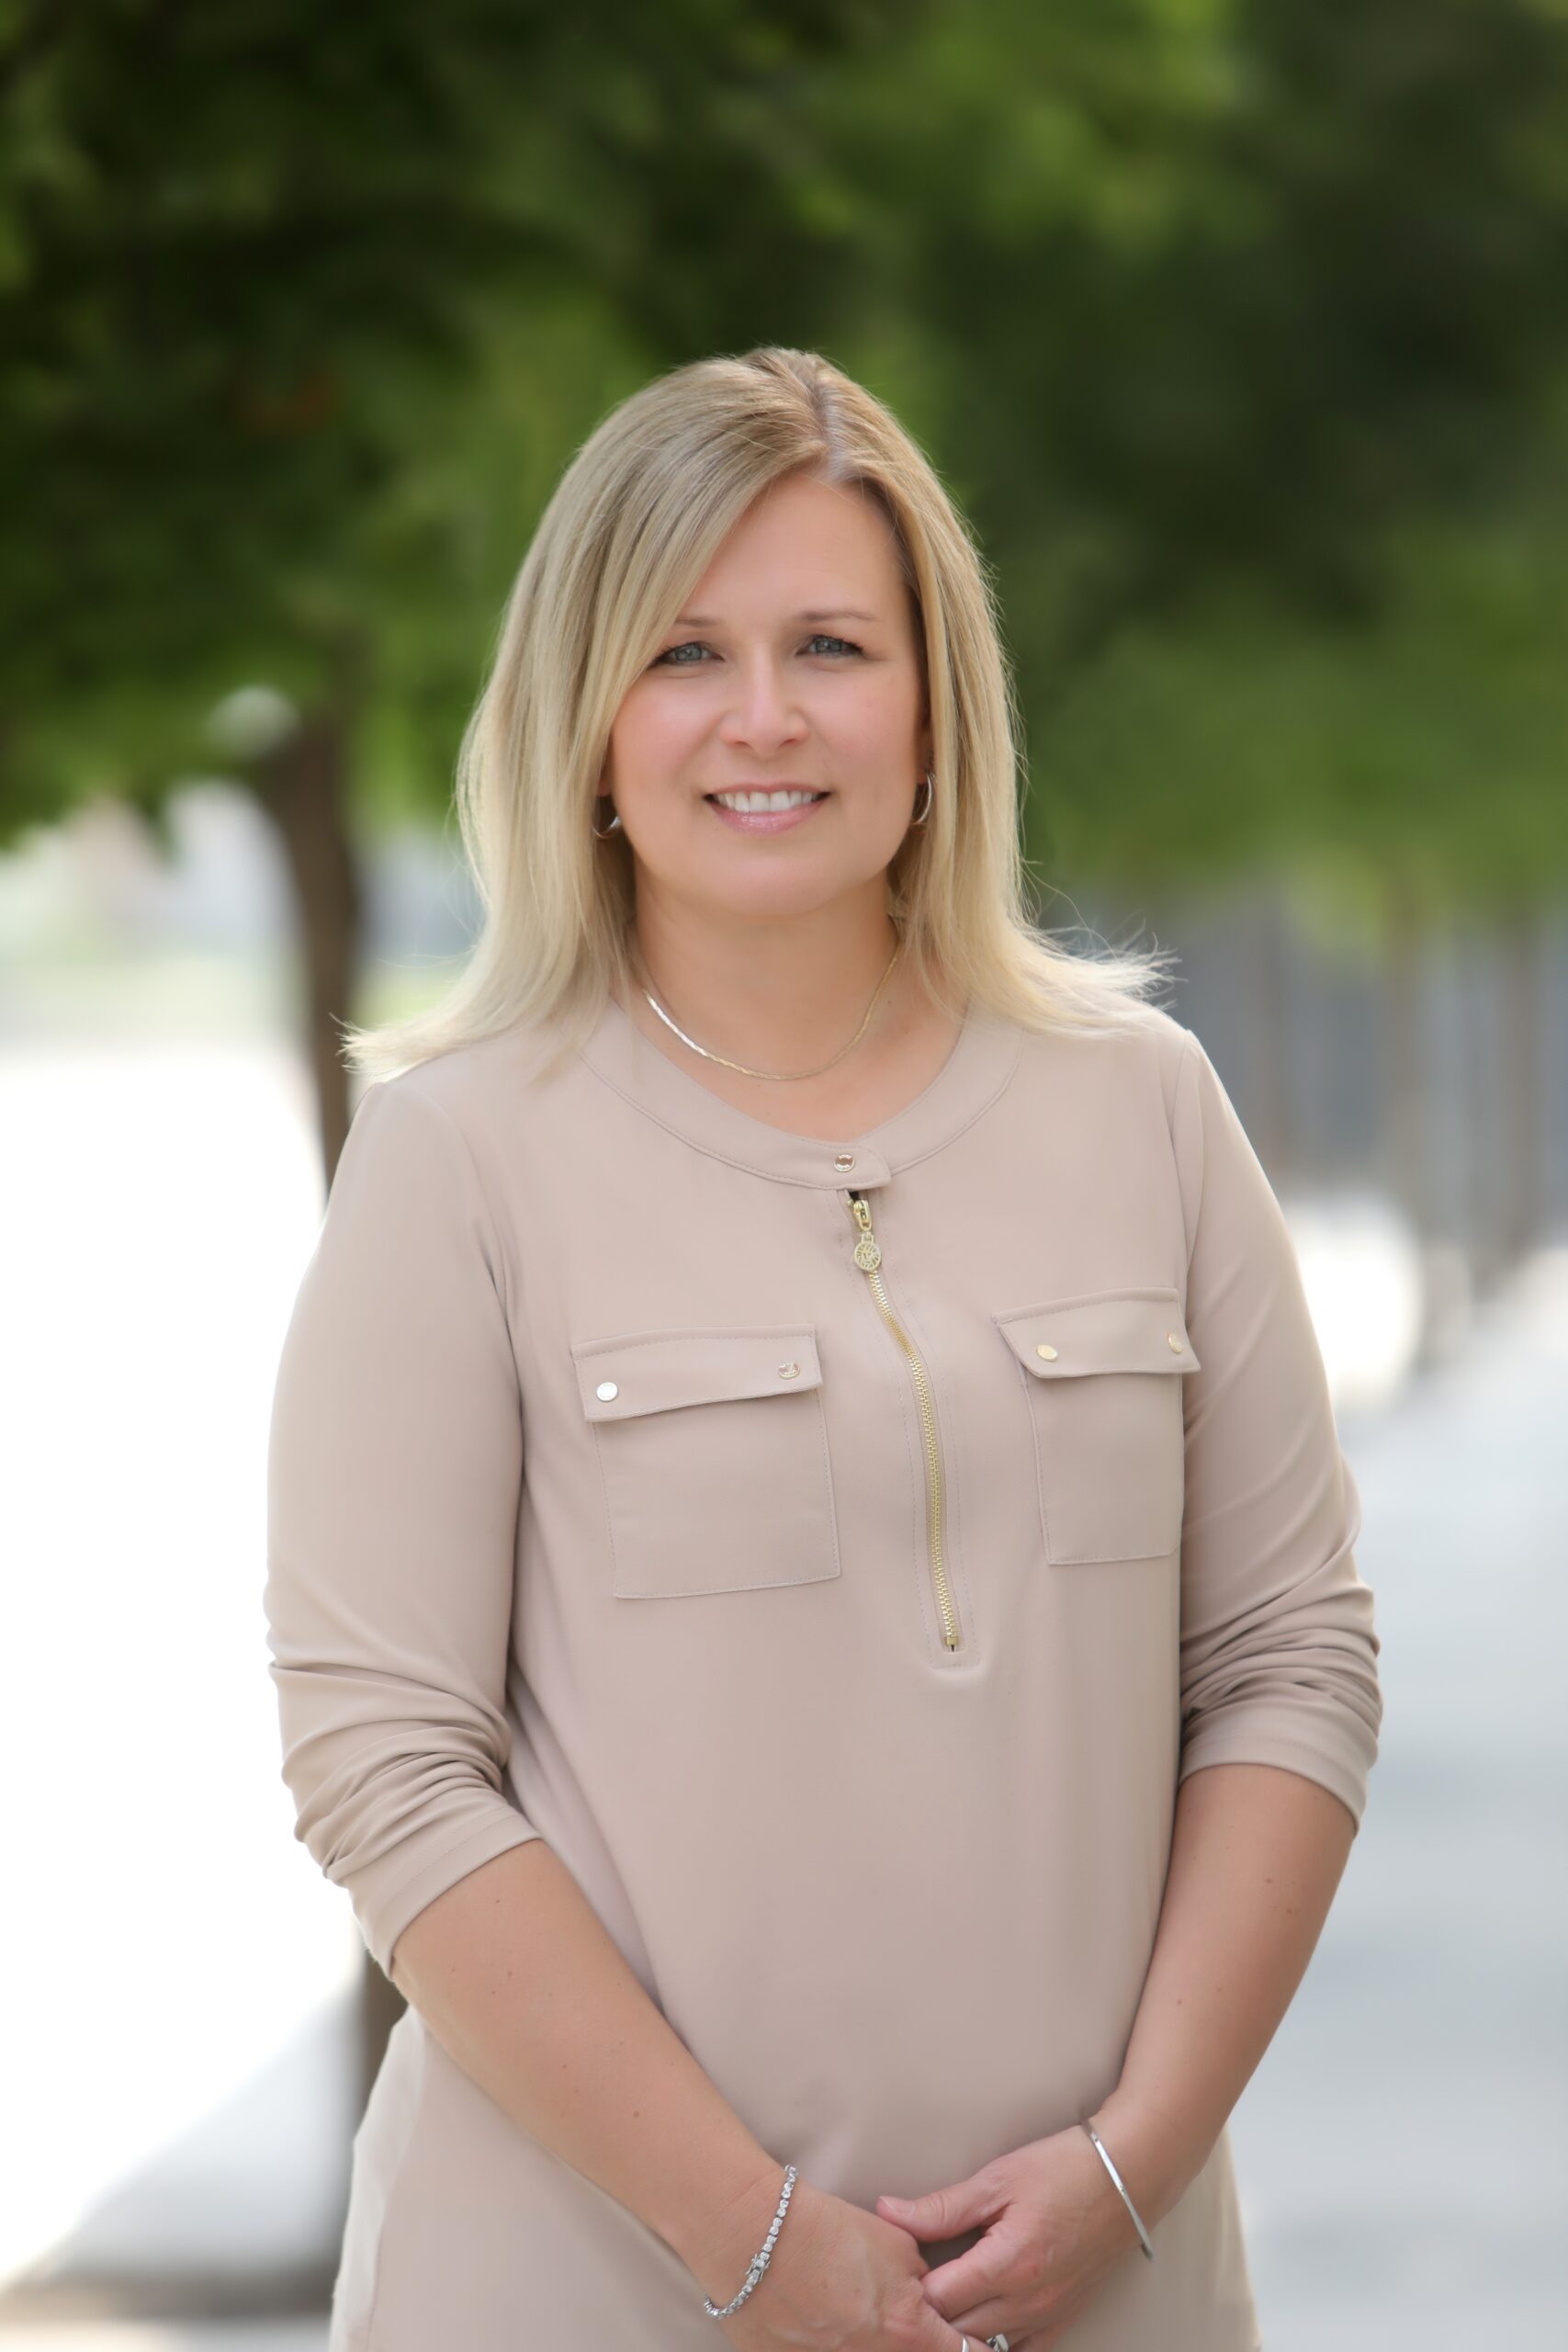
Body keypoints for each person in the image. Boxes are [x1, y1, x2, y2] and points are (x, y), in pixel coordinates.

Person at [263, 345, 1382, 2352]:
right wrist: (752, 2240)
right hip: (581, 2295)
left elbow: (1285, 1663)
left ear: (934, 703)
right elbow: (388, 1769)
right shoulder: (453, 1161)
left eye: (831, 644)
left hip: (1104, 2291)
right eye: (682, 650)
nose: (761, 717)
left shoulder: (1145, 1109)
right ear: (582, 719)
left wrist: (1133, 2157)